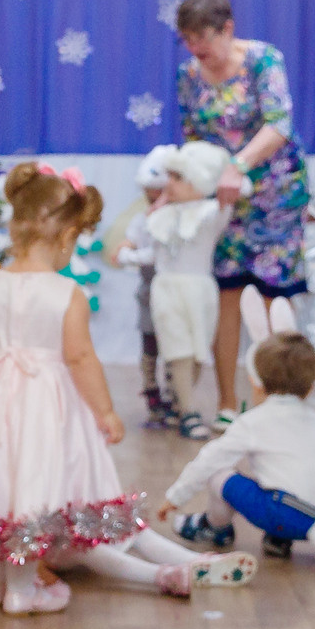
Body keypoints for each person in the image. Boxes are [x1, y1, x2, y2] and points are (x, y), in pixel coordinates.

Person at [0, 162, 256, 613]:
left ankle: (1, 585)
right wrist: (105, 411)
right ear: (65, 237)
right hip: (42, 407)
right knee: (31, 491)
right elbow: (81, 358)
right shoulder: (67, 294)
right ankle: (23, 592)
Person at [173, 0, 311, 421]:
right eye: (188, 39)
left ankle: (275, 404)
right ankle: (227, 404)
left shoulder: (264, 61)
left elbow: (279, 124)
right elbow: (193, 138)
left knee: (273, 298)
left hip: (275, 195)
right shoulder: (188, 75)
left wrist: (239, 165)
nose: (196, 48)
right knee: (226, 293)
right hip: (225, 200)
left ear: (228, 29)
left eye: (204, 38)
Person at [163, 332, 315, 561]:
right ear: (310, 388)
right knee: (286, 480)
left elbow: (210, 458)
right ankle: (278, 539)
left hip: (287, 516)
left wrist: (176, 497)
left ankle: (215, 528)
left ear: (256, 384)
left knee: (219, 475)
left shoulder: (252, 422)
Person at [140, 140, 231, 441]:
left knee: (196, 351)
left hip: (200, 290)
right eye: (170, 176)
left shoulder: (212, 212)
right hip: (167, 288)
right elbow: (154, 253)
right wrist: (127, 256)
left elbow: (235, 190)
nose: (170, 184)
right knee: (177, 347)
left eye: (178, 178)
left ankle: (181, 402)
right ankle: (189, 411)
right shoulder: (161, 216)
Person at [116, 149, 177, 432]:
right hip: (149, 291)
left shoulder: (178, 219)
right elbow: (126, 246)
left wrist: (135, 256)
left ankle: (175, 395)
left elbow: (161, 255)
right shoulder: (142, 220)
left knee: (174, 344)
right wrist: (128, 252)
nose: (153, 197)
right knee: (149, 341)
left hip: (173, 292)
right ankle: (152, 392)